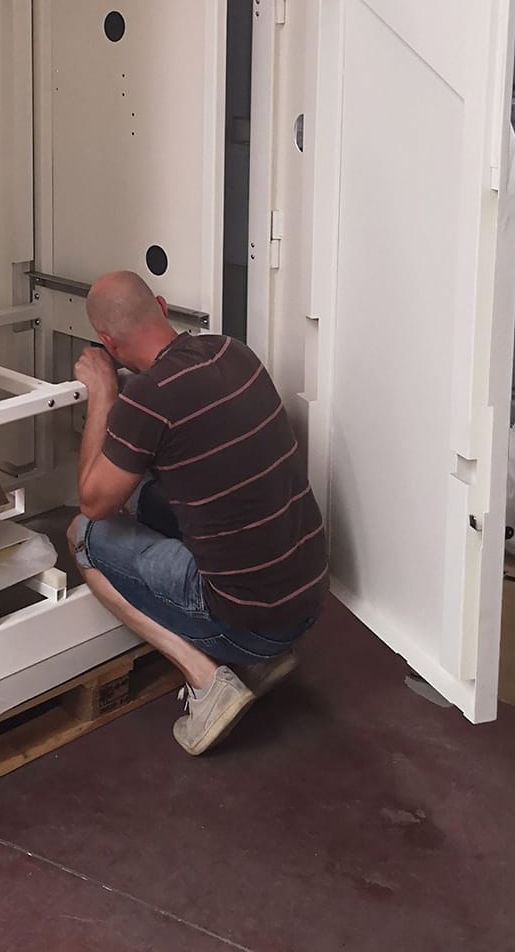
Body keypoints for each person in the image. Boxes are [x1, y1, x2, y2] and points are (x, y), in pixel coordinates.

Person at [66, 270, 328, 755]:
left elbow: (94, 502)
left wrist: (103, 394)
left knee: (83, 533)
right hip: (306, 600)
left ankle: (208, 681)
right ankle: (261, 662)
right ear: (162, 306)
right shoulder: (232, 352)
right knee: (143, 498)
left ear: (108, 343)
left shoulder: (148, 399)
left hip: (249, 622)